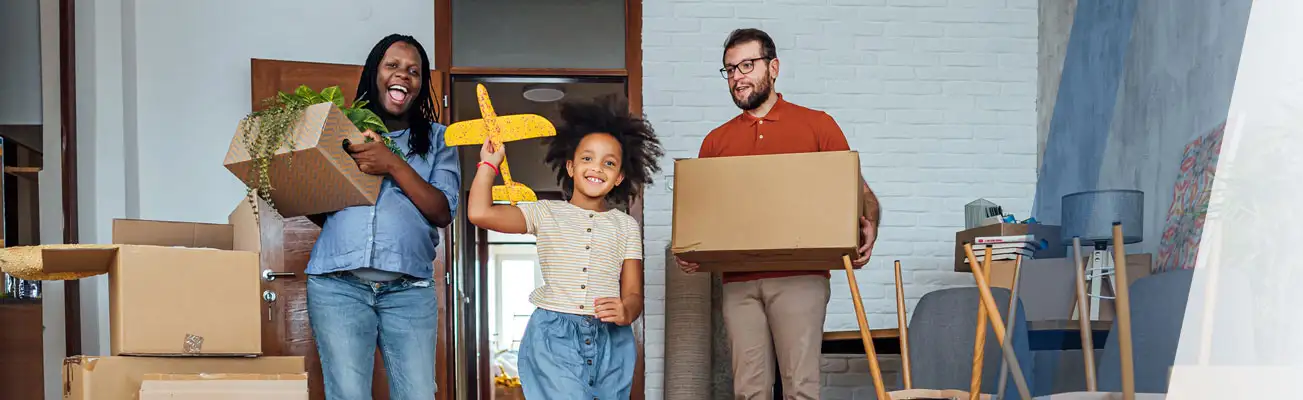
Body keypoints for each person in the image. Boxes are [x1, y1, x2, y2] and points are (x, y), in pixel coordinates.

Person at [674, 28, 882, 400]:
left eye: (747, 65)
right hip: (738, 281)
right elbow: (706, 213)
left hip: (801, 276)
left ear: (774, 68)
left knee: (800, 387)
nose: (738, 76)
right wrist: (692, 250)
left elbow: (859, 193)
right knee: (748, 391)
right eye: (730, 69)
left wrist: (870, 223)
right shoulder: (715, 141)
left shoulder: (818, 125)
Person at [467, 94, 663, 400]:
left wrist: (627, 310)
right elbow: (479, 213)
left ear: (620, 176)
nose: (596, 167)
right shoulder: (544, 212)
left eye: (608, 162)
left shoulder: (625, 225)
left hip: (611, 339)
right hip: (554, 336)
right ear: (570, 166)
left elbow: (634, 293)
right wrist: (488, 165)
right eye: (587, 158)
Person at [303, 33, 460, 399]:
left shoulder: (440, 139)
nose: (403, 75)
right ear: (375, 72)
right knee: (348, 393)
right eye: (393, 66)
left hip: (409, 290)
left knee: (419, 393)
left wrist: (392, 163)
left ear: (421, 85)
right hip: (337, 285)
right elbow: (321, 209)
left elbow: (441, 210)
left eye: (414, 71)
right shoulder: (339, 132)